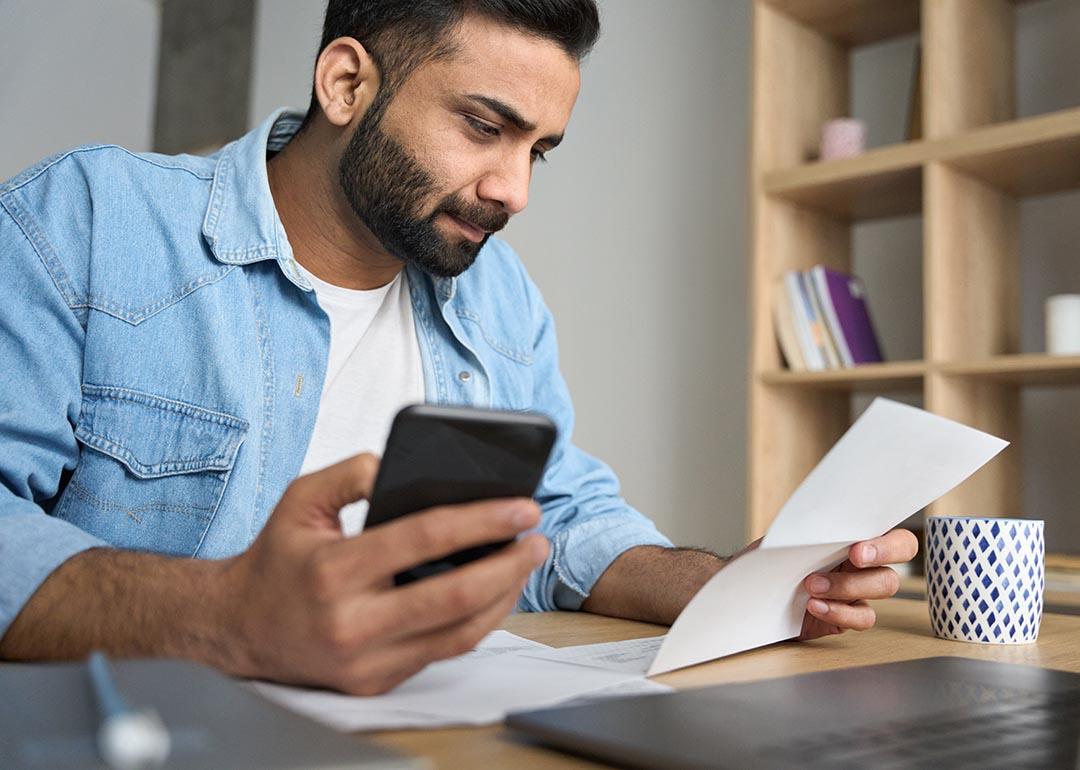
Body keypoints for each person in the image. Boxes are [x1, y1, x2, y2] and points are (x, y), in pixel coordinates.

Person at [0, 0, 917, 695]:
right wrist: (230, 617)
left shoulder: (496, 293)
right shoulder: (85, 222)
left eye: (539, 151)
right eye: (485, 127)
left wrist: (723, 585)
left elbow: (555, 514)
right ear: (346, 84)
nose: (514, 190)